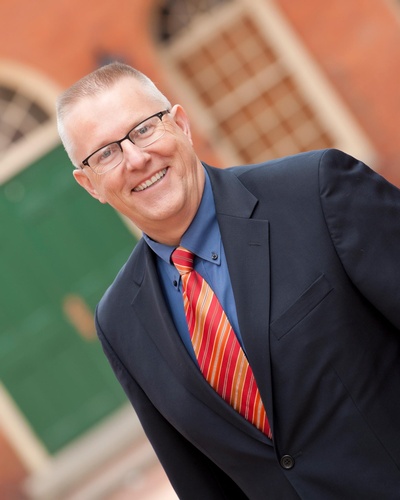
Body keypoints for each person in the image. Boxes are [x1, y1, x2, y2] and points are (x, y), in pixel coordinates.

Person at [56, 62, 400, 499]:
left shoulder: (316, 190)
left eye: (143, 129)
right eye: (106, 153)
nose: (136, 159)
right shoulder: (119, 320)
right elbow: (198, 482)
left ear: (181, 124)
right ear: (90, 185)